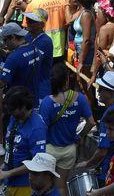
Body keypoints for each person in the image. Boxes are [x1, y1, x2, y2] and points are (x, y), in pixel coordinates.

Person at [39, 63, 94, 194]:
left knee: (44, 186)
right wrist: (80, 136)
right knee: (61, 185)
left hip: (49, 149)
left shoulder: (47, 102)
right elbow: (91, 122)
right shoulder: (80, 98)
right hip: (69, 149)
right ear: (67, 80)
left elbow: (41, 128)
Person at [0, 85, 48, 196]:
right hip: (9, 181)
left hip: (24, 185)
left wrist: (9, 173)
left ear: (23, 107)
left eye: (13, 110)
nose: (10, 113)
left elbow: (37, 162)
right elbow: (12, 144)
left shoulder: (37, 128)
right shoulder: (15, 118)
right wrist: (6, 164)